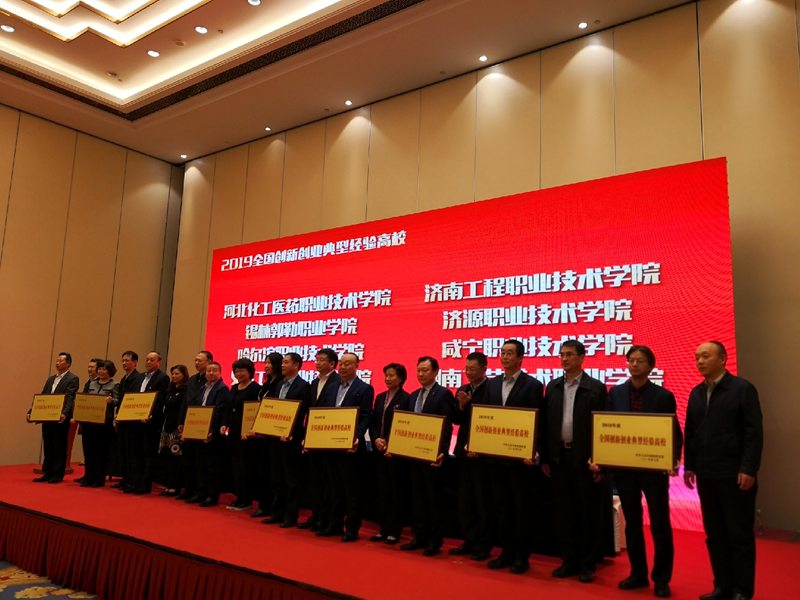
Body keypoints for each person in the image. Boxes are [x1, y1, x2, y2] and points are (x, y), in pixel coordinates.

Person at [598, 345, 681, 598]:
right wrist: (602, 457)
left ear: (651, 366)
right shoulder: (616, 393)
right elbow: (606, 428)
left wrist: (673, 459)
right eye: (631, 360)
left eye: (640, 361)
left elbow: (673, 431)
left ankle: (662, 579)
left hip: (654, 469)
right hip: (625, 469)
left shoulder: (663, 395)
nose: (634, 364)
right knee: (632, 523)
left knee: (659, 524)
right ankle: (638, 573)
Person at [684, 342, 763, 600]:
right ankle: (722, 586)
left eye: (706, 356)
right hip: (706, 475)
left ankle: (742, 590)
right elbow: (691, 432)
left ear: (723, 359)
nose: (700, 361)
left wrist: (748, 468)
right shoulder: (696, 392)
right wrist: (690, 465)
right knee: (715, 534)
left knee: (739, 535)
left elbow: (753, 433)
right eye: (697, 357)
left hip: (735, 475)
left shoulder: (742, 389)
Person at [540, 339, 607, 583]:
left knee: (587, 513)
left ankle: (587, 563)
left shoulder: (596, 388)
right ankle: (568, 560)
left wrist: (601, 461)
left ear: (582, 357)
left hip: (585, 459)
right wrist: (545, 456)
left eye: (569, 354)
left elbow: (603, 427)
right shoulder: (553, 386)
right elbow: (546, 424)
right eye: (562, 354)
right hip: (559, 457)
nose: (565, 359)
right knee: (564, 513)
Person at [482, 340, 543, 574]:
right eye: (503, 353)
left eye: (510, 353)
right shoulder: (492, 384)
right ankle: (505, 552)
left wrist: (534, 450)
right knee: (501, 507)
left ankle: (521, 556)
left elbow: (537, 420)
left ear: (520, 358)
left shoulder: (533, 385)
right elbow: (485, 417)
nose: (505, 357)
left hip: (519, 459)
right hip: (496, 458)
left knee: (521, 509)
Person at [399, 356, 455, 556]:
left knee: (433, 499)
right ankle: (420, 535)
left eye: (425, 370)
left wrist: (442, 451)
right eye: (419, 370)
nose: (421, 374)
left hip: (432, 456)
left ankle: (434, 540)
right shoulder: (414, 395)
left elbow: (447, 426)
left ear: (436, 372)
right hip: (414, 455)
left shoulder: (443, 394)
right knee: (418, 498)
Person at [318, 352, 373, 542]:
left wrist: (357, 437)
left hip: (351, 448)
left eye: (348, 364)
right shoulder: (332, 387)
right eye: (341, 363)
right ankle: (334, 524)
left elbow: (365, 417)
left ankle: (351, 528)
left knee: (351, 490)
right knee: (334, 487)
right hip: (331, 445)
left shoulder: (364, 388)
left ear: (357, 366)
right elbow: (324, 414)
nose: (342, 367)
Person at [450, 352, 493, 561]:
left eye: (473, 369)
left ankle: (483, 545)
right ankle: (469, 539)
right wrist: (461, 406)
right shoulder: (462, 389)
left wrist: (470, 405)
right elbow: (456, 419)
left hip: (483, 452)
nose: (468, 373)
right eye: (466, 368)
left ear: (484, 369)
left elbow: (490, 418)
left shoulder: (492, 389)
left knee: (482, 501)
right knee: (465, 500)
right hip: (463, 452)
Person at [263, 353, 311, 528]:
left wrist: (290, 431)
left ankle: (290, 516)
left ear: (296, 365)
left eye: (286, 362)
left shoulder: (303, 386)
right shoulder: (279, 385)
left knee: (291, 480)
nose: (282, 365)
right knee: (277, 478)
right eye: (282, 362)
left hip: (291, 438)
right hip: (275, 438)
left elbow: (302, 413)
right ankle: (277, 512)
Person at [298, 348, 340, 531]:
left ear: (332, 364)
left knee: (327, 481)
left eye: (322, 360)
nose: (317, 362)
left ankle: (326, 518)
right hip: (313, 436)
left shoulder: (338, 382)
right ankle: (316, 515)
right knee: (314, 480)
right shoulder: (314, 382)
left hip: (328, 437)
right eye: (317, 359)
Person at [368, 363, 411, 545]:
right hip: (379, 451)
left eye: (392, 375)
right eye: (386, 375)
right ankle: (383, 528)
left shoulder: (407, 399)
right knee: (382, 491)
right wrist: (376, 439)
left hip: (395, 453)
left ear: (401, 378)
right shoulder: (380, 397)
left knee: (396, 492)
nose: (388, 378)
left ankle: (394, 530)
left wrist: (390, 443)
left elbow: (406, 425)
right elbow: (373, 422)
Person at [28, 352, 80, 484]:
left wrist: (65, 413)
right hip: (48, 417)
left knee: (59, 446)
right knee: (48, 445)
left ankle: (57, 474)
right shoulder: (51, 379)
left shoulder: (73, 378)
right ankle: (48, 472)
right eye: (57, 360)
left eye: (61, 361)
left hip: (60, 418)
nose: (57, 363)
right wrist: (31, 412)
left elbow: (70, 397)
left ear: (68, 363)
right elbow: (43, 397)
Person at [183, 360, 229, 507]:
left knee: (212, 467)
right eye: (209, 371)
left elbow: (219, 412)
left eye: (214, 370)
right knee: (200, 465)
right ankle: (200, 492)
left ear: (220, 372)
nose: (211, 373)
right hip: (199, 432)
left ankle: (212, 495)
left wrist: (212, 431)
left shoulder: (222, 389)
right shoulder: (203, 388)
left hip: (212, 434)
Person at [222, 358, 261, 511]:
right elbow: (228, 408)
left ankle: (247, 499)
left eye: (241, 371)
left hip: (247, 435)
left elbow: (256, 412)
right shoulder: (234, 388)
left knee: (246, 468)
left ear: (250, 372)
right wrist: (224, 424)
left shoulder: (255, 389)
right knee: (236, 467)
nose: (238, 374)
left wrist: (250, 431)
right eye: (236, 371)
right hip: (234, 432)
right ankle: (239, 497)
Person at [129, 351, 170, 495]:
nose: (148, 362)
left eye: (152, 360)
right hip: (136, 421)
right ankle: (135, 482)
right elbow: (133, 398)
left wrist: (151, 415)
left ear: (159, 362)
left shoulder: (163, 378)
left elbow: (161, 400)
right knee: (136, 453)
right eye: (147, 360)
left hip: (151, 423)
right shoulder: (139, 377)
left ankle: (145, 485)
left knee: (148, 454)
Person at [249, 352, 283, 519]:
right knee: (262, 472)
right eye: (265, 362)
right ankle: (264, 505)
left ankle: (271, 507)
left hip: (274, 433)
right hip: (261, 434)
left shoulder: (280, 384)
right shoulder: (267, 383)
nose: (266, 365)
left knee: (272, 474)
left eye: (269, 362)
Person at [176, 351, 211, 502]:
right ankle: (189, 489)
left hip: (202, 423)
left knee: (199, 461)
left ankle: (199, 491)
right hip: (188, 422)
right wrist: (181, 421)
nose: (196, 363)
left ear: (209, 362)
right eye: (195, 360)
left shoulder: (210, 381)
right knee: (187, 460)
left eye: (200, 360)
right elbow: (185, 402)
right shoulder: (192, 380)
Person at [78, 360, 119, 488]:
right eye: (100, 369)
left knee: (101, 451)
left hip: (104, 423)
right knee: (89, 450)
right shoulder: (92, 383)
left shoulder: (115, 385)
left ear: (110, 371)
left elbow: (118, 400)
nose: (101, 371)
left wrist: (111, 400)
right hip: (89, 421)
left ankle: (99, 479)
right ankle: (88, 477)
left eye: (104, 369)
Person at [113, 351, 143, 491]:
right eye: (123, 361)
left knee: (132, 452)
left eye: (127, 360)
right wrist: (117, 415)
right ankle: (125, 478)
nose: (124, 363)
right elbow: (121, 400)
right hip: (122, 419)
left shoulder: (139, 378)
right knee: (123, 451)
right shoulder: (123, 379)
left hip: (132, 420)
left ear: (135, 362)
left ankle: (133, 480)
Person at [159, 365, 188, 497]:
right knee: (168, 458)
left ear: (184, 375)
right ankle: (168, 485)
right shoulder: (170, 390)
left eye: (177, 374)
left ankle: (175, 487)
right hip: (167, 427)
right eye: (173, 374)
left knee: (176, 458)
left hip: (177, 427)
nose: (174, 376)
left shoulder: (185, 390)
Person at [75, 358, 102, 485]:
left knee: (96, 451)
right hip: (86, 420)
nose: (89, 369)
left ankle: (95, 477)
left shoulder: (101, 383)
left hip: (97, 421)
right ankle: (87, 475)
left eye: (92, 367)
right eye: (88, 367)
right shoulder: (88, 383)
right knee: (88, 450)